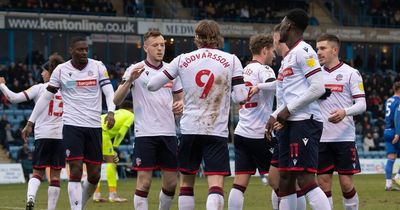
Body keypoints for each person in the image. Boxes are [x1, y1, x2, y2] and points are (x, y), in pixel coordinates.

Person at [148, 19, 248, 210]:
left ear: (197, 38)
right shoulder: (232, 59)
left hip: (189, 128)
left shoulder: (182, 59)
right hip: (215, 130)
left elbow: (152, 85)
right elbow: (240, 97)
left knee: (186, 184)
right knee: (216, 185)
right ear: (217, 37)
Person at [22, 36, 116, 210]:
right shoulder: (60, 70)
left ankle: (80, 203)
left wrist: (111, 110)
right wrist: (30, 122)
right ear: (71, 51)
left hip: (94, 126)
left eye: (86, 49)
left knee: (95, 175)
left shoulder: (98, 66)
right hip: (72, 125)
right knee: (75, 170)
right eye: (80, 49)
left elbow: (109, 92)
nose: (84, 52)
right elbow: (45, 98)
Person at [265, 9, 330, 210]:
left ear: (290, 26)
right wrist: (275, 114)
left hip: (305, 121)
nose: (280, 29)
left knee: (305, 178)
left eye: (282, 24)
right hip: (289, 122)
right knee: (284, 177)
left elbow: (318, 87)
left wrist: (286, 111)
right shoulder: (288, 57)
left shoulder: (305, 52)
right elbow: (287, 94)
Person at [113, 30, 183, 210]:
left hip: (168, 133)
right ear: (146, 48)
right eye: (155, 45)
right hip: (145, 134)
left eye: (162, 45)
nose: (160, 48)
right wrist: (129, 80)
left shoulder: (171, 70)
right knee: (144, 184)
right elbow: (116, 100)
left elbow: (180, 99)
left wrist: (180, 105)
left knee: (171, 184)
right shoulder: (135, 69)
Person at [0, 54, 64, 210]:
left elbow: (13, 98)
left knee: (38, 172)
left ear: (50, 72)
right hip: (61, 136)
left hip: (43, 136)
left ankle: (30, 198)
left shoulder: (40, 88)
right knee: (55, 176)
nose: (42, 74)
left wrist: (2, 85)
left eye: (44, 71)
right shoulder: (67, 90)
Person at [316, 34, 366, 210]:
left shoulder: (351, 73)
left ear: (334, 50)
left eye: (323, 48)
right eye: (317, 48)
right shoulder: (315, 75)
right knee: (323, 185)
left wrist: (345, 112)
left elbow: (362, 104)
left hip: (344, 138)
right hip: (321, 138)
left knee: (346, 184)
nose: (318, 52)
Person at [226, 34, 276, 210]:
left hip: (241, 132)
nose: (274, 55)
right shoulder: (264, 70)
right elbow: (276, 85)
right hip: (260, 133)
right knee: (281, 184)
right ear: (264, 50)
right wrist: (261, 86)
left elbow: (233, 97)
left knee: (239, 184)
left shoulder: (242, 71)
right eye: (272, 51)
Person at [268, 24, 307, 210]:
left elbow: (315, 89)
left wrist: (282, 114)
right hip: (284, 126)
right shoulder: (284, 63)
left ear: (279, 39)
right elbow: (283, 97)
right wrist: (275, 116)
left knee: (294, 180)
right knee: (280, 180)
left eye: (275, 39)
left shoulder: (300, 55)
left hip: (299, 124)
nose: (274, 44)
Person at [93, 100, 134, 203]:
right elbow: (121, 132)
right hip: (103, 132)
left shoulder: (116, 112)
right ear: (131, 109)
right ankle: (113, 195)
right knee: (111, 163)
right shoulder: (130, 115)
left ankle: (96, 194)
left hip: (93, 130)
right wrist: (115, 147)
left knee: (95, 163)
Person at [383, 81, 400, 190]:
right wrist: (398, 133)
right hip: (395, 131)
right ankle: (398, 176)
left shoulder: (388, 100)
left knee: (391, 158)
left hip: (387, 131)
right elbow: (397, 117)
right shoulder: (399, 101)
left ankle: (388, 185)